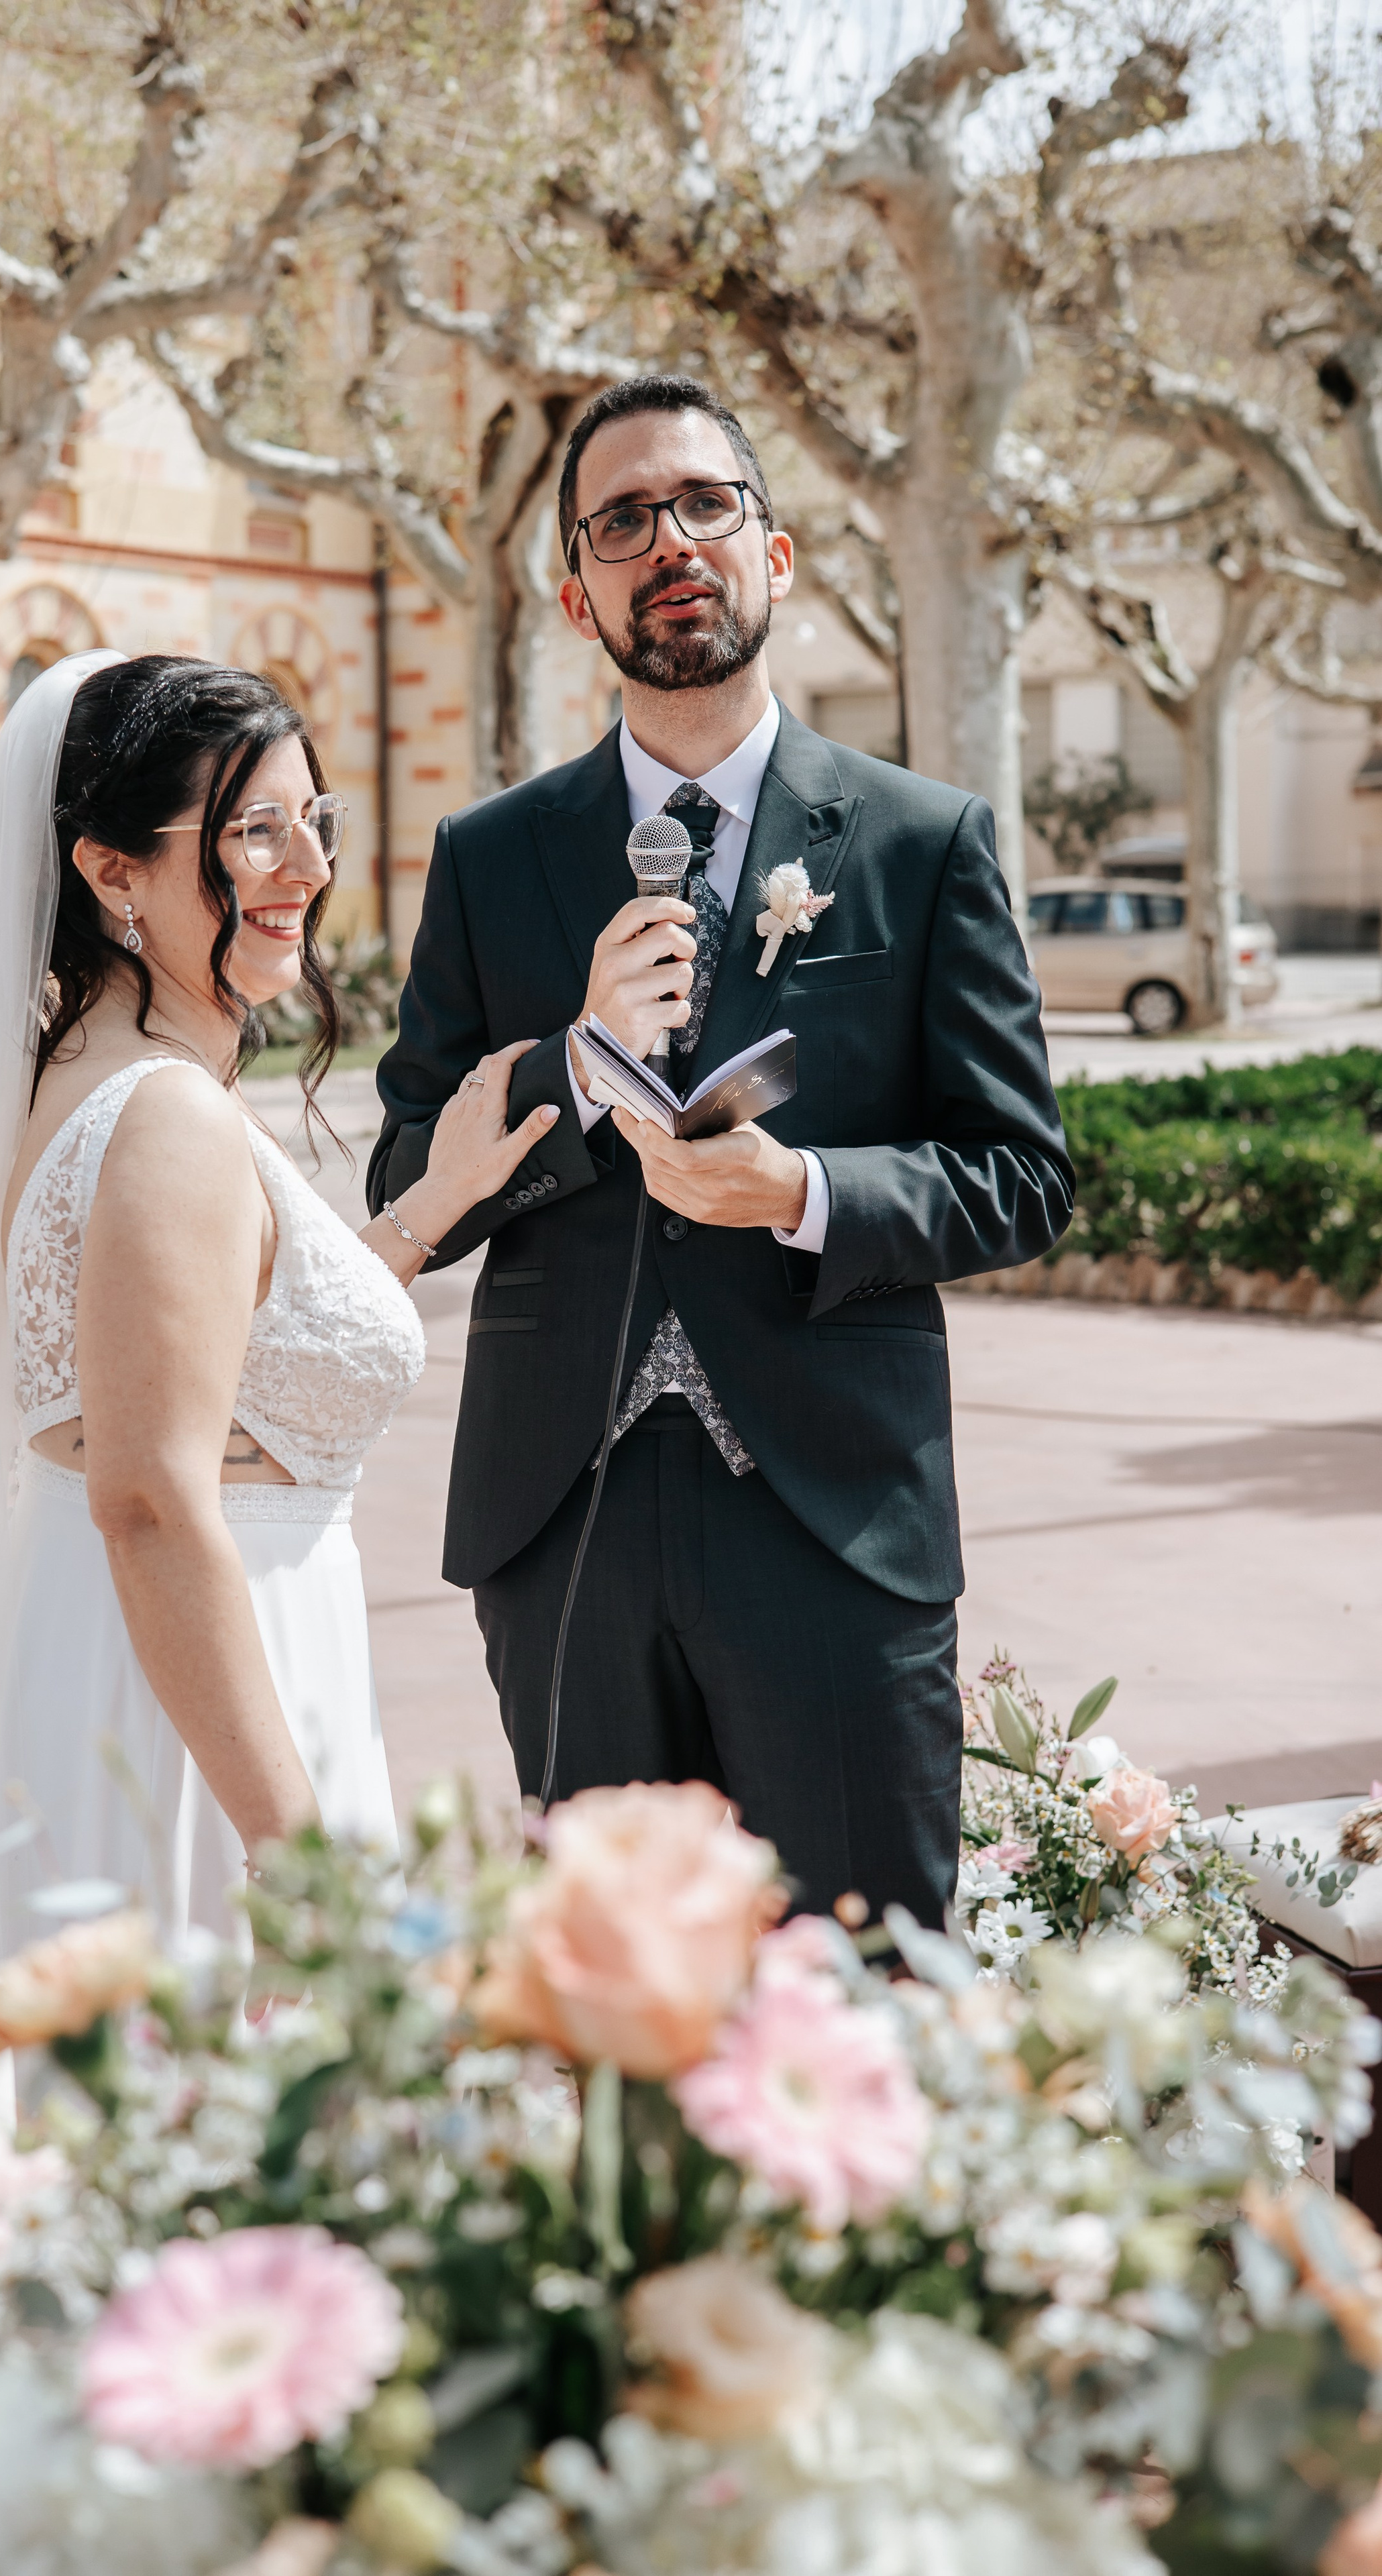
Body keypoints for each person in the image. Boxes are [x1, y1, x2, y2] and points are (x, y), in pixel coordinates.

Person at [0, 653, 555, 2150]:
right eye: (252, 832)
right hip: (203, 1709)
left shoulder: (83, 1073)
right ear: (110, 870)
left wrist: (434, 1201)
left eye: (311, 821)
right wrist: (293, 1857)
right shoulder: (165, 1116)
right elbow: (148, 1495)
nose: (307, 869)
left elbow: (232, 1361)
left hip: (153, 1671)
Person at [370, 375, 1074, 1925]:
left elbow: (1021, 1171)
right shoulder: (491, 860)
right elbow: (407, 1164)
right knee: (623, 2025)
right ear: (574, 592)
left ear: (779, 553)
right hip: (563, 1524)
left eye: (704, 504)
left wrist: (806, 1192)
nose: (665, 540)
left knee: (871, 1987)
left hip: (828, 1513)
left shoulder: (917, 840)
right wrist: (569, 1056)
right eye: (619, 521)